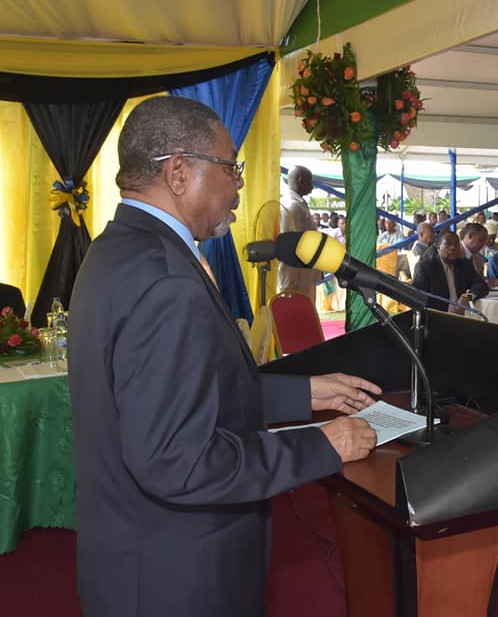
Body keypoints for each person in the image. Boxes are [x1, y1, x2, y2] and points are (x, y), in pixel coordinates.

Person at [68, 97, 379, 617]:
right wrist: (322, 444)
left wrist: (302, 392)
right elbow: (180, 461)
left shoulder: (117, 248)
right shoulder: (167, 280)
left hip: (133, 555)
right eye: (231, 167)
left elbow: (175, 394)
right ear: (178, 172)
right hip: (177, 579)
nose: (238, 185)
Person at [413, 232, 489, 313]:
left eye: (456, 245)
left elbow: (481, 285)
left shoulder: (465, 265)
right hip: (435, 316)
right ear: (438, 248)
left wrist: (467, 297)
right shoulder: (425, 267)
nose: (453, 248)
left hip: (462, 315)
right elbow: (420, 299)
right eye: (448, 245)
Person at [279, 165, 323, 302]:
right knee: (298, 310)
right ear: (301, 180)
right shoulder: (292, 206)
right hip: (296, 278)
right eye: (310, 181)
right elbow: (291, 246)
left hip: (304, 274)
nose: (312, 187)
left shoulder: (299, 204)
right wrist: (291, 280)